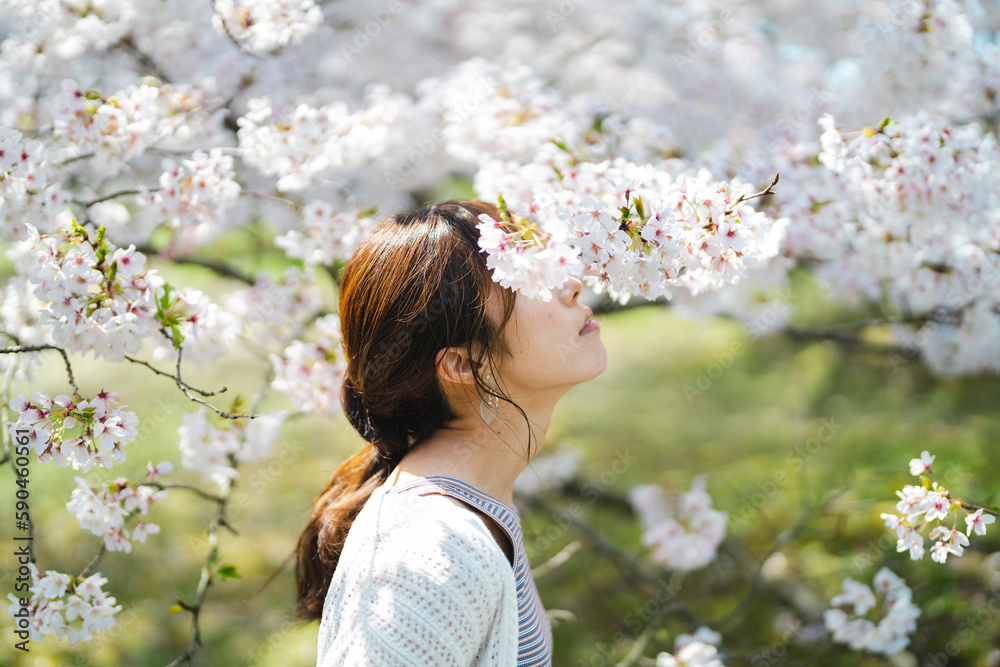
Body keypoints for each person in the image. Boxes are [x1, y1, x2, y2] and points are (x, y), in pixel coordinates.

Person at [295, 200, 607, 666]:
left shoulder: (473, 507)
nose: (571, 283)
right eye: (526, 280)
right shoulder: (433, 549)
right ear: (463, 363)